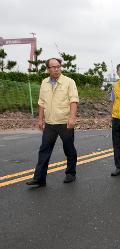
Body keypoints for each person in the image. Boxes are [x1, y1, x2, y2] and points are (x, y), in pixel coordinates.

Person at [26, 58, 79, 187]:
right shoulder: (44, 83)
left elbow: (74, 101)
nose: (56, 69)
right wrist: (40, 119)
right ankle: (39, 178)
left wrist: (72, 118)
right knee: (44, 150)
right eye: (53, 67)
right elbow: (41, 102)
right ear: (48, 69)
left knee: (69, 148)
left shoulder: (69, 82)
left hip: (64, 122)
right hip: (50, 123)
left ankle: (70, 173)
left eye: (58, 66)